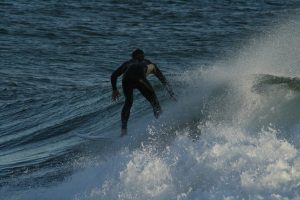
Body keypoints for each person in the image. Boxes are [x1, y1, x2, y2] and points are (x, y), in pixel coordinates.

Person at [111, 49, 176, 136]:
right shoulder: (148, 63)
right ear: (143, 55)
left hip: (126, 79)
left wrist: (114, 89)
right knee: (155, 102)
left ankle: (123, 130)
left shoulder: (127, 63)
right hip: (140, 78)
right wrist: (171, 93)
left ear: (132, 57)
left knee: (128, 102)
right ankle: (162, 125)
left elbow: (113, 75)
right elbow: (163, 79)